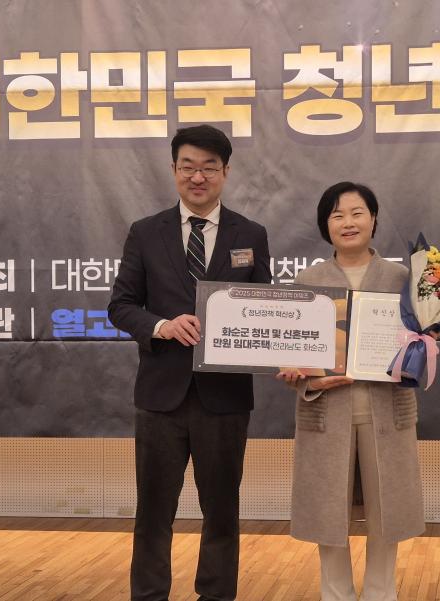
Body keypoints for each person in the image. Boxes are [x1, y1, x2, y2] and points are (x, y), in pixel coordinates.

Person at [108, 124, 272, 601]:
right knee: (153, 510)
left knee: (221, 510)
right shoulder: (145, 232)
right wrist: (162, 326)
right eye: (188, 167)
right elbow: (121, 306)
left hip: (225, 397)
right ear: (174, 169)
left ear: (225, 172)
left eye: (209, 168)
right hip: (161, 395)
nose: (198, 177)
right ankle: (149, 594)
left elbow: (266, 307)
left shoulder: (251, 234)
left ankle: (216, 595)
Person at [278, 182, 425, 601]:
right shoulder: (308, 281)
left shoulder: (403, 280)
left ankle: (381, 593)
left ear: (373, 219)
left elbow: (421, 349)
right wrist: (301, 375)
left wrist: (421, 346)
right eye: (337, 214)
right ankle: (335, 594)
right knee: (328, 515)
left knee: (387, 514)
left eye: (357, 212)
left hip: (388, 412)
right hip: (326, 413)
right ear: (325, 225)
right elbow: (294, 354)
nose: (348, 222)